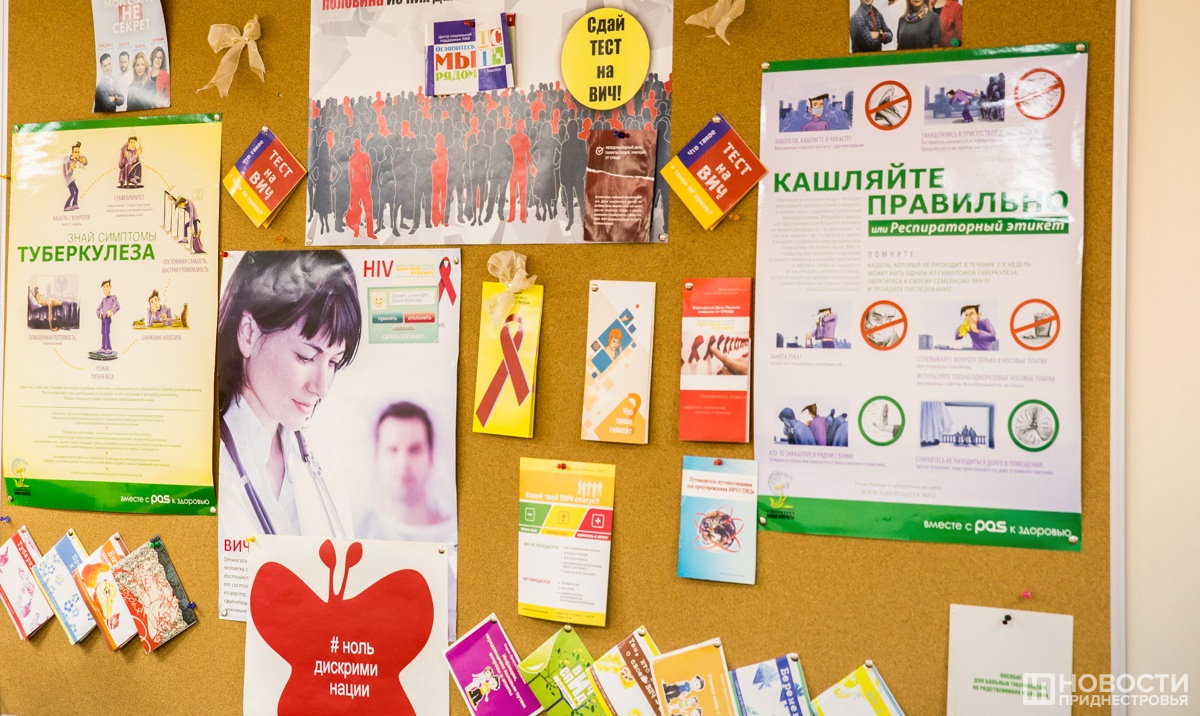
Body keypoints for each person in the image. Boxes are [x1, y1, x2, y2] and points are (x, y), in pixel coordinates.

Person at [216, 251, 362, 539]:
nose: (322, 387)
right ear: (248, 333)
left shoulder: (322, 459)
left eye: (333, 362)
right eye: (305, 357)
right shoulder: (206, 463)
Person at [356, 402, 454, 543]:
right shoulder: (354, 533)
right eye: (392, 449)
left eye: (415, 450)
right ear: (376, 457)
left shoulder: (458, 535)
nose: (403, 463)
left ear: (431, 457)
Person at [96, 280, 120, 356]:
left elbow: (117, 306)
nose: (105, 289)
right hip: (102, 318)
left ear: (110, 287)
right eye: (104, 287)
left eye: (107, 286)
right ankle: (103, 347)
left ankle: (108, 348)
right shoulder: (103, 300)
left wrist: (111, 311)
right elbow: (98, 309)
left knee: (107, 332)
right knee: (102, 332)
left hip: (107, 318)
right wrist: (99, 313)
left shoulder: (113, 298)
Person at [63, 142, 87, 212]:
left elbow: (84, 161)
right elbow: (67, 172)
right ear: (72, 152)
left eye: (78, 152)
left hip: (72, 179)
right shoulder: (68, 159)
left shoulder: (75, 158)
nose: (77, 153)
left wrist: (78, 159)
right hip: (68, 179)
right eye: (75, 152)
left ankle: (75, 204)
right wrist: (71, 167)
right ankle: (66, 206)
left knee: (76, 191)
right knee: (72, 193)